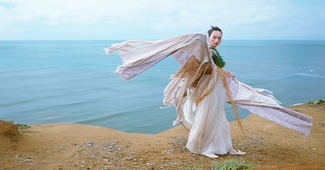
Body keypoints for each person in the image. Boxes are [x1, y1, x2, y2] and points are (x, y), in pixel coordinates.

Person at [105, 26, 313, 158]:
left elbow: (213, 66)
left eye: (220, 38)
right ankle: (202, 147)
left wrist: (223, 71)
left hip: (216, 86)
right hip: (210, 89)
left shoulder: (212, 52)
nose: (217, 40)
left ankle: (221, 147)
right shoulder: (203, 49)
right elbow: (203, 66)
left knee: (219, 117)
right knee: (207, 116)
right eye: (215, 37)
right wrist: (205, 52)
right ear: (208, 37)